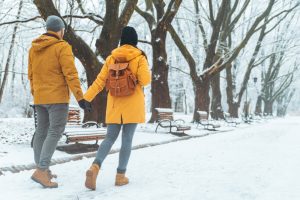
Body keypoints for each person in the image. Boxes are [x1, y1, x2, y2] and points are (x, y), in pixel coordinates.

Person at [84, 26, 151, 190]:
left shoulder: (111, 58)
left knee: (109, 138)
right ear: (135, 41)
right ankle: (120, 176)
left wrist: (86, 98)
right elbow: (146, 80)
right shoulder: (139, 57)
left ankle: (95, 167)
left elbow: (100, 81)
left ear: (121, 40)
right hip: (132, 105)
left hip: (114, 105)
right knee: (127, 140)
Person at [28, 15, 90, 188]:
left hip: (40, 98)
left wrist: (37, 93)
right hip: (57, 98)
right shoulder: (62, 46)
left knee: (41, 131)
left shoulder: (34, 48)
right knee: (55, 131)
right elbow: (70, 74)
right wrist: (80, 97)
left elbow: (31, 75)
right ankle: (41, 170)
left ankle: (42, 169)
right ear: (60, 30)